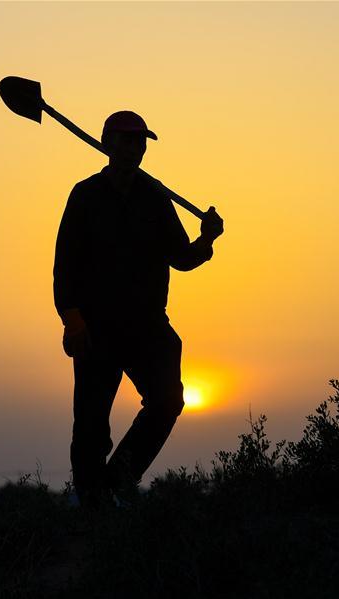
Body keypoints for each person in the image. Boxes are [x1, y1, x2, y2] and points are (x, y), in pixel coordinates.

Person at [54, 110, 224, 507]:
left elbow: (180, 257)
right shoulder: (85, 195)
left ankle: (117, 479)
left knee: (167, 402)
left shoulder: (155, 197)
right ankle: (93, 505)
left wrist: (207, 240)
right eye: (126, 140)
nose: (134, 148)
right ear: (107, 143)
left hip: (147, 324)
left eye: (139, 142)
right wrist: (72, 316)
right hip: (96, 328)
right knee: (92, 424)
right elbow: (65, 264)